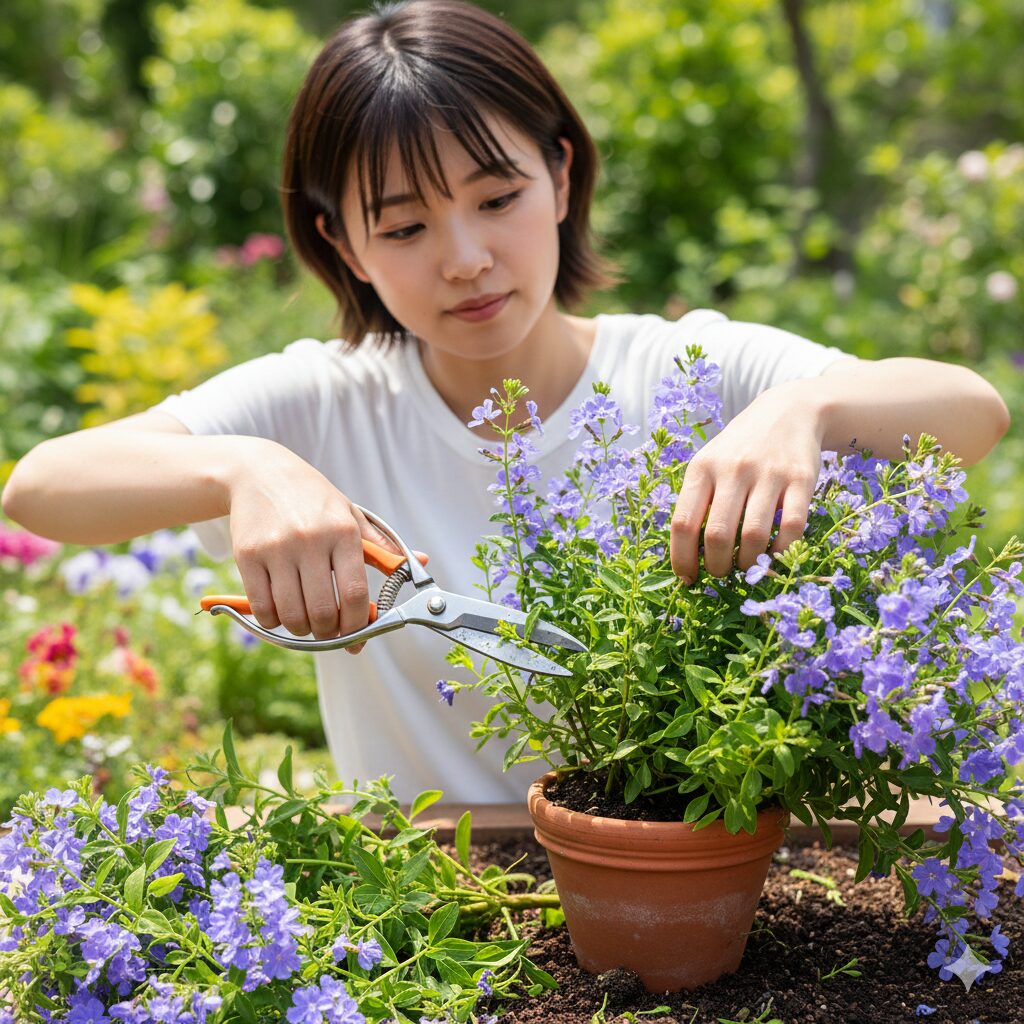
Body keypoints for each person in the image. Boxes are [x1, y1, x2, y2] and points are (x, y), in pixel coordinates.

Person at [2, 0, 1008, 802]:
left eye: (496, 199)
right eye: (404, 228)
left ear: (560, 177)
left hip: (701, 897)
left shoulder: (684, 370)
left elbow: (970, 409)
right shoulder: (322, 401)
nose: (466, 259)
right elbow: (42, 487)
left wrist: (807, 411)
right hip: (427, 912)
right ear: (343, 244)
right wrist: (243, 465)